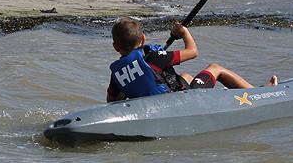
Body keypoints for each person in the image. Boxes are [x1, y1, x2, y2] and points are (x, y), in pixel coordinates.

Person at [106, 17, 277, 102]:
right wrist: (184, 33)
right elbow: (193, 52)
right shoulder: (154, 58)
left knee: (186, 76)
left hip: (152, 107)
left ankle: (228, 95)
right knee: (215, 68)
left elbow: (112, 101)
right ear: (143, 39)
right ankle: (258, 94)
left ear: (115, 47)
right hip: (178, 104)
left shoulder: (117, 74)